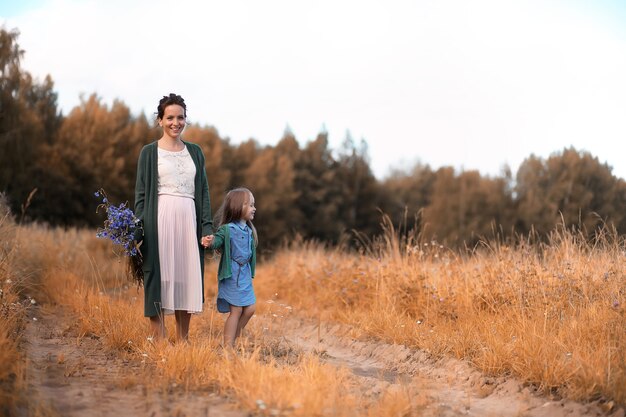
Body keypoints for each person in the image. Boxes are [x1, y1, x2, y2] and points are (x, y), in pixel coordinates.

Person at [134, 93, 213, 342]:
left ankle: (183, 340)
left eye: (180, 117)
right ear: (159, 120)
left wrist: (206, 226)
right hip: (159, 221)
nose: (175, 122)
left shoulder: (195, 152)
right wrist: (138, 229)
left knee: (185, 277)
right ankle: (159, 340)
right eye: (169, 117)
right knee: (159, 276)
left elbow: (203, 191)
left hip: (189, 220)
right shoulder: (149, 153)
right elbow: (141, 194)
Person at [207, 188, 258, 348]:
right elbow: (218, 241)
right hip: (232, 275)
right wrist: (211, 241)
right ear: (237, 207)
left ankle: (232, 340)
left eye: (253, 205)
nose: (254, 208)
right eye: (250, 205)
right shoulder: (227, 229)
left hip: (244, 275)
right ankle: (228, 347)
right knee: (236, 311)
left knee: (250, 309)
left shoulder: (249, 230)